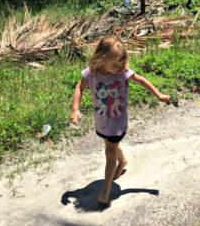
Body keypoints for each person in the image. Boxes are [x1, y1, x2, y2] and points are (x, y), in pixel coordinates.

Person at [70, 36, 170, 204]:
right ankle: (122, 161)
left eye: (122, 63)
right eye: (115, 64)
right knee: (109, 144)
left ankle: (105, 190)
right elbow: (79, 87)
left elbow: (142, 81)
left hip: (117, 122)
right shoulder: (92, 72)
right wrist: (75, 109)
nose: (120, 67)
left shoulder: (123, 72)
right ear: (101, 59)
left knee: (109, 153)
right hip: (101, 120)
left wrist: (158, 94)